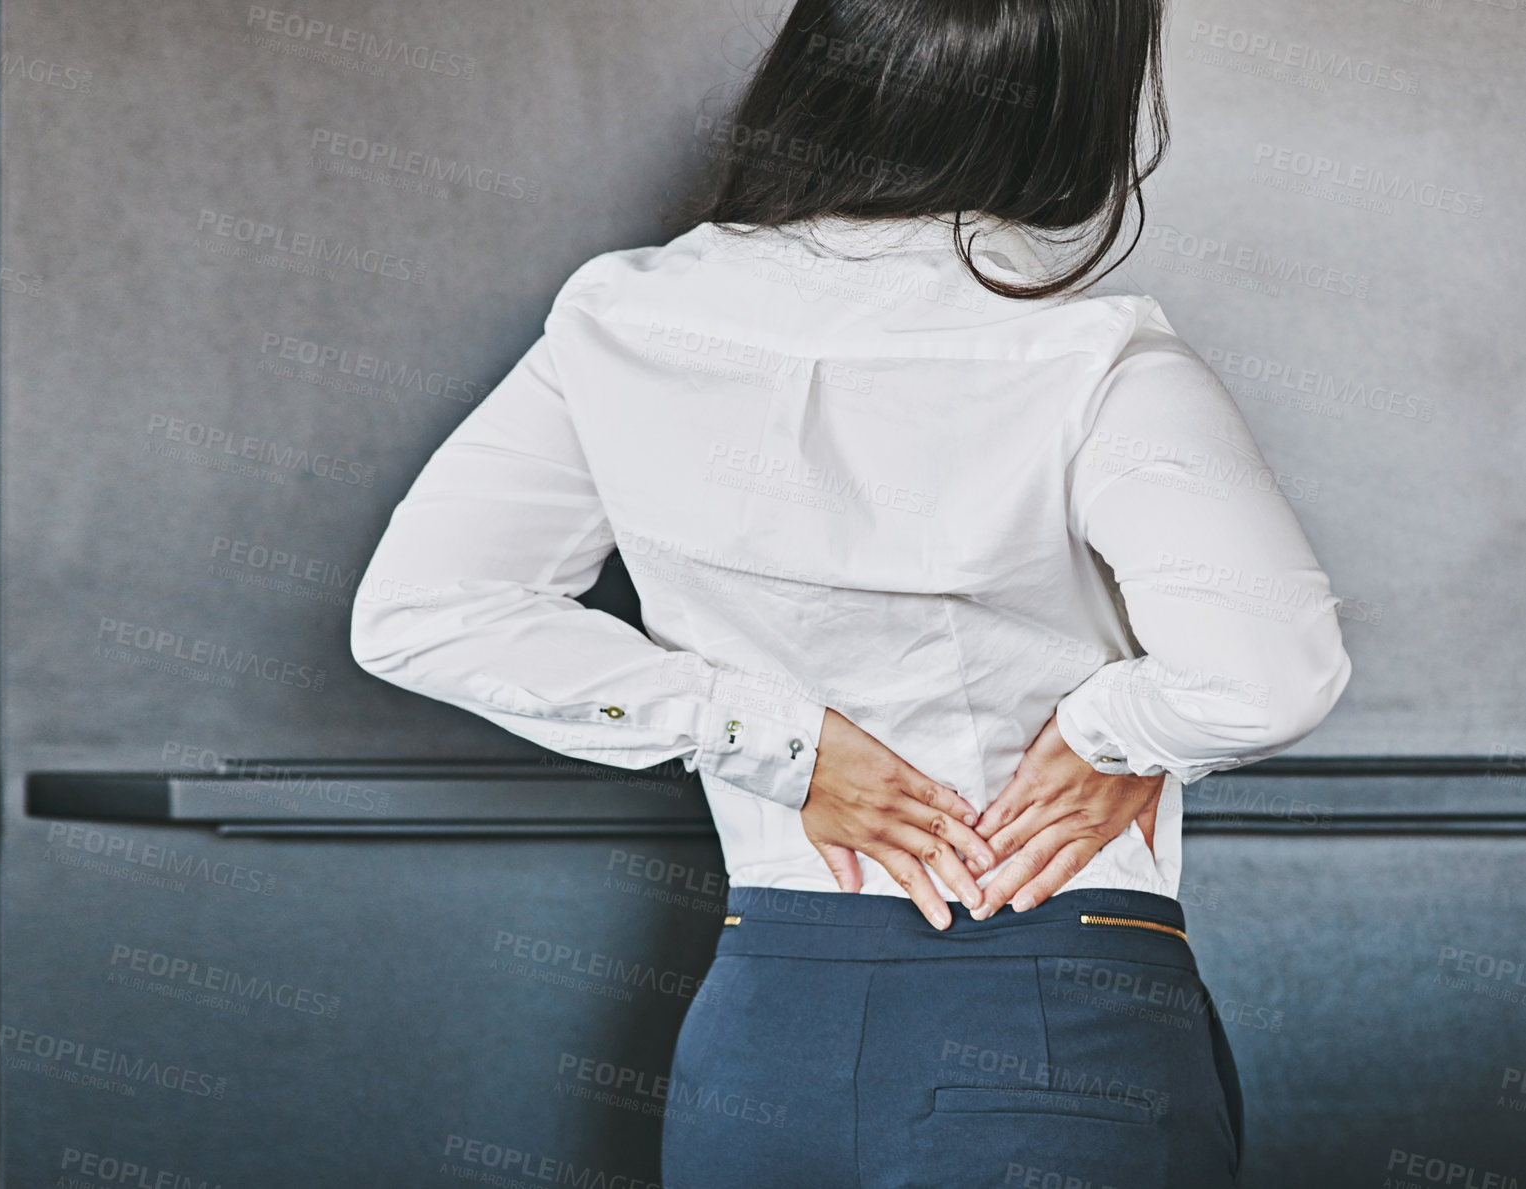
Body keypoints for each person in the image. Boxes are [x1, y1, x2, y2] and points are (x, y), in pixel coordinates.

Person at [349, 1, 1352, 1184]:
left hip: (766, 1026)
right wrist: (1105, 728)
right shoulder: (1092, 357)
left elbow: (422, 611)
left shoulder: (621, 317)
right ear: (1079, 96)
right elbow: (1270, 675)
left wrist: (777, 739)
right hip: (1050, 1013)